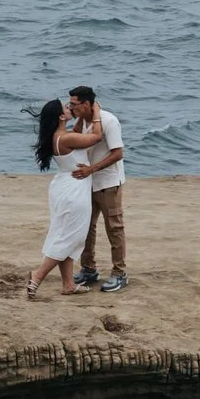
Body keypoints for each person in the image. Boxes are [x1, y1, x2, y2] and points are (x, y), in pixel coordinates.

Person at [26, 99, 104, 297]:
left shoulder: (60, 136)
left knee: (65, 234)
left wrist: (80, 117)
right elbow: (96, 137)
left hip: (63, 187)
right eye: (67, 108)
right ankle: (38, 275)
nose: (70, 108)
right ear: (61, 116)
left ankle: (68, 284)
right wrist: (95, 113)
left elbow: (76, 132)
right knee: (72, 236)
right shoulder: (65, 138)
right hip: (73, 191)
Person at [66, 85, 127, 291]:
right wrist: (80, 118)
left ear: (86, 103)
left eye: (74, 105)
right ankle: (88, 269)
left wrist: (92, 169)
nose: (71, 108)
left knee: (114, 228)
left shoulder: (109, 121)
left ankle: (119, 272)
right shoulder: (82, 121)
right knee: (86, 227)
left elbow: (118, 153)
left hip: (108, 183)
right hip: (88, 183)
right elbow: (74, 140)